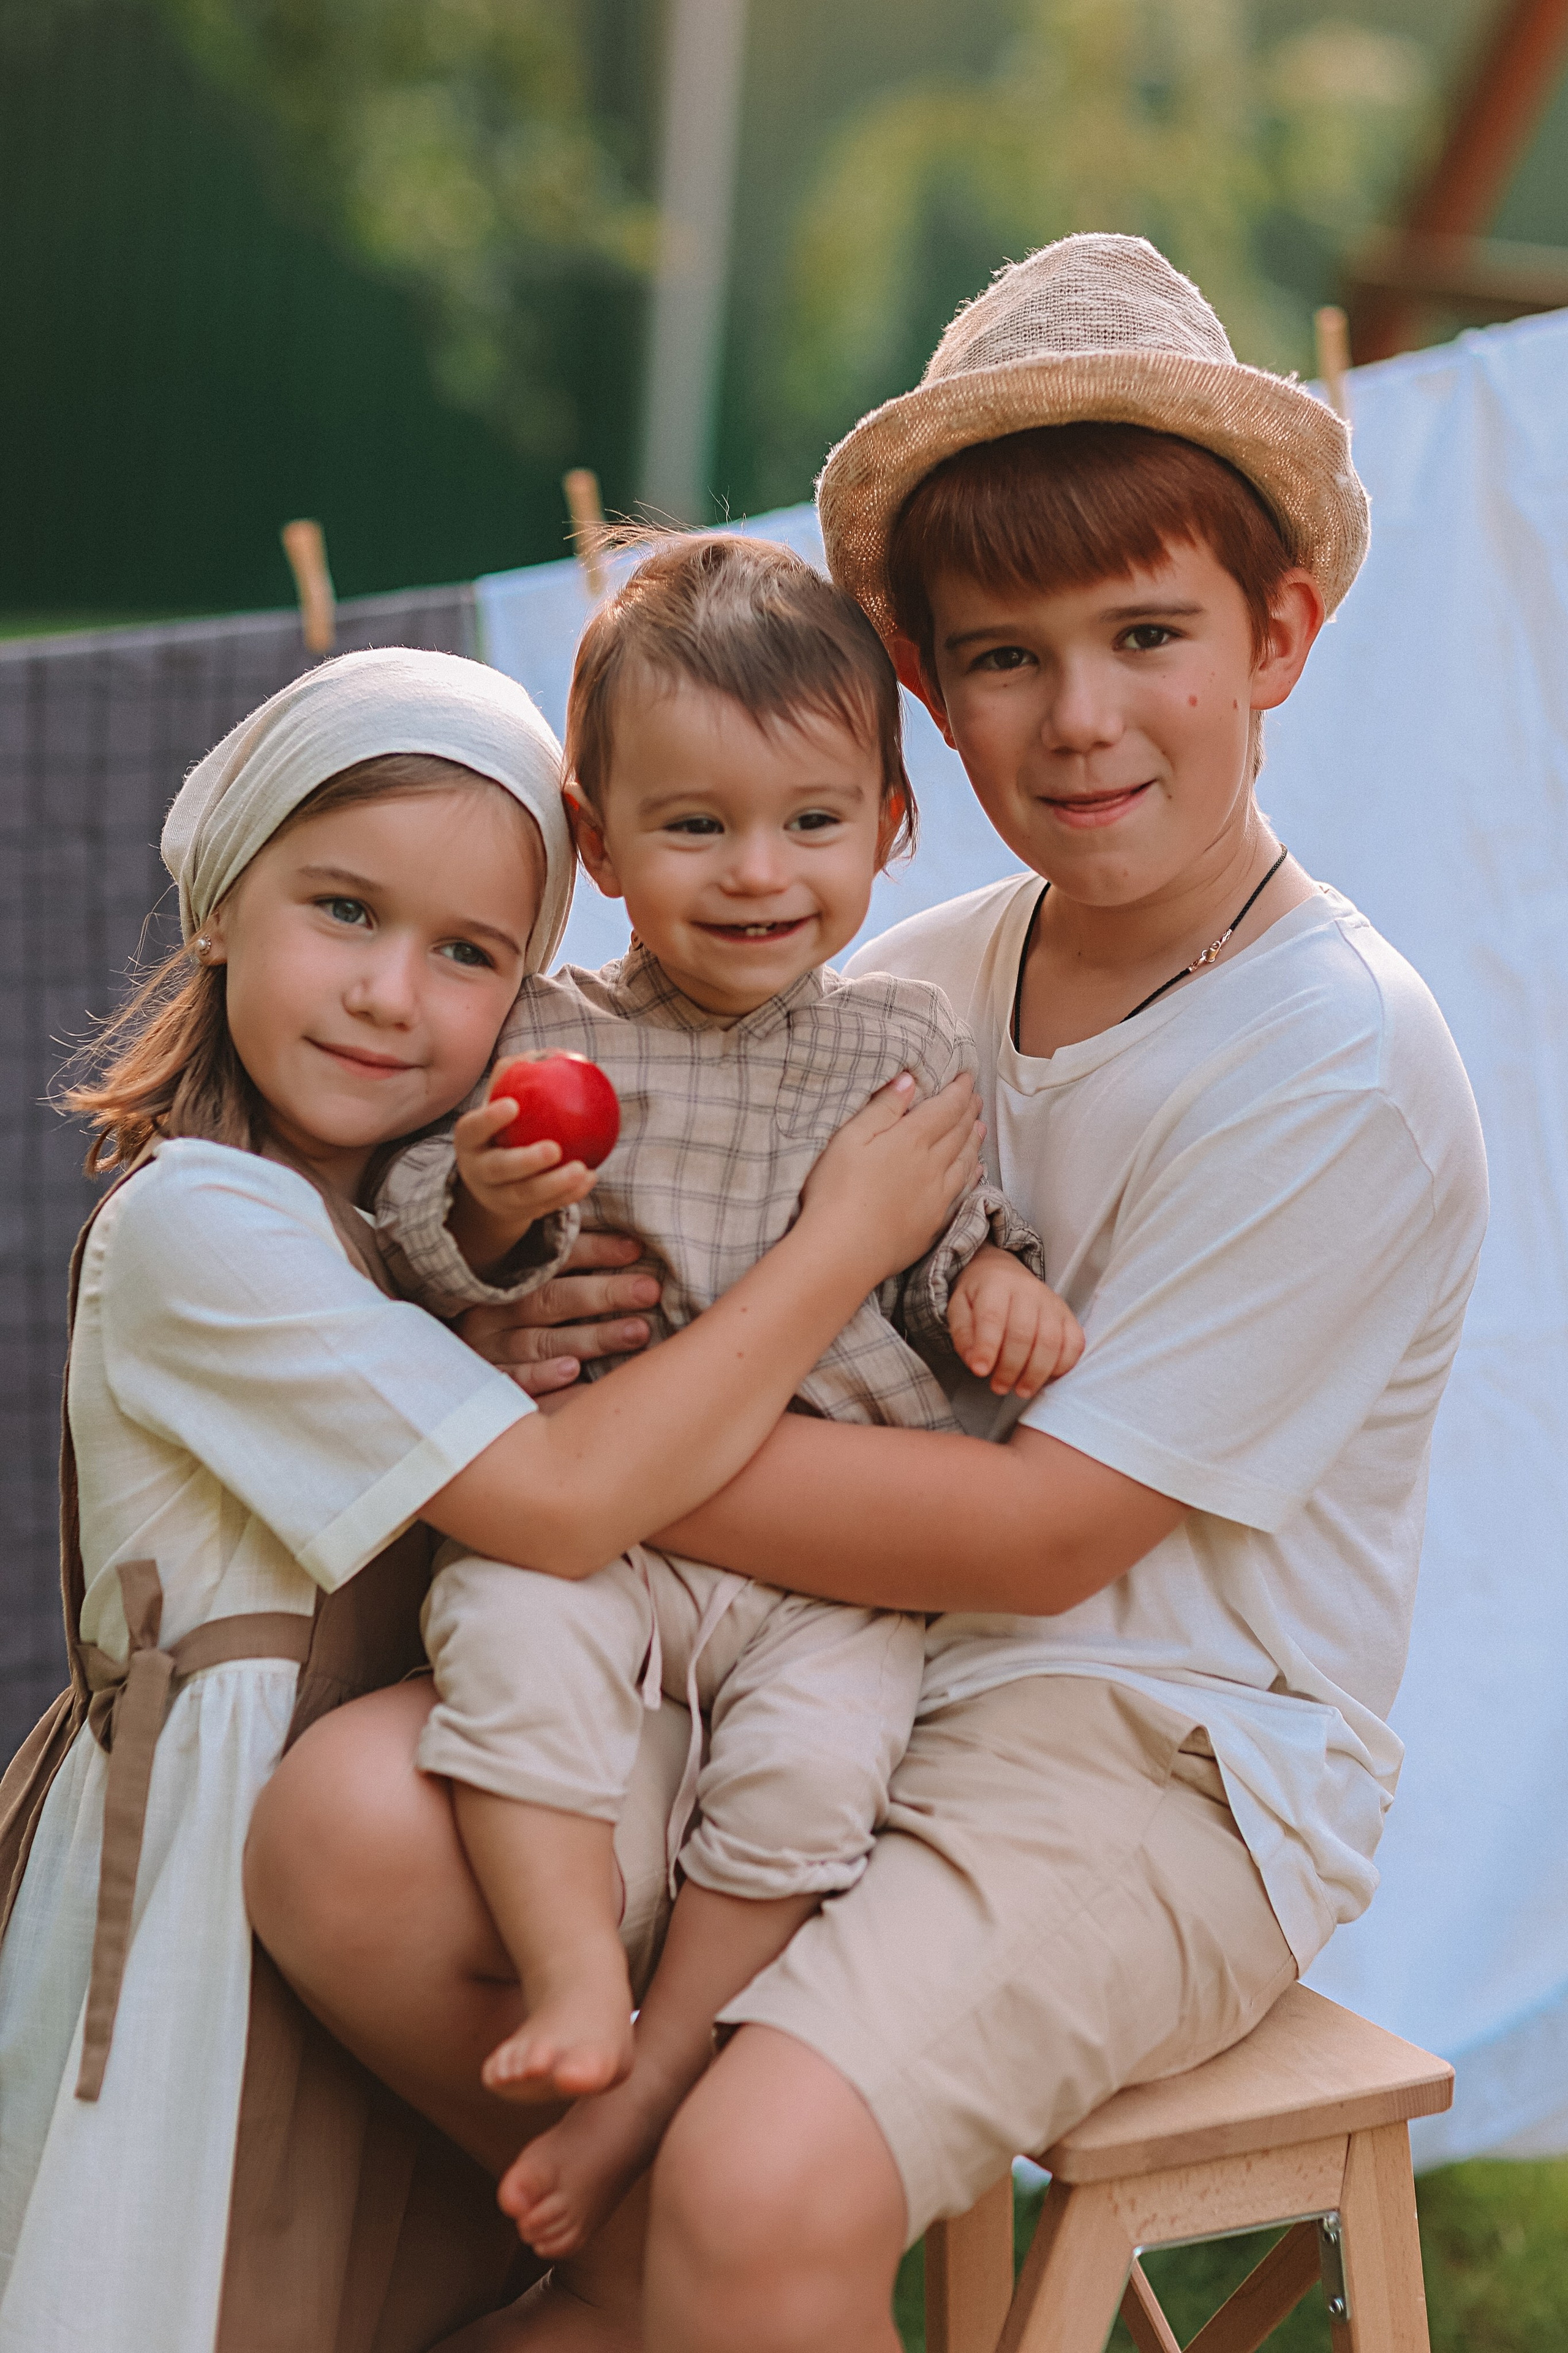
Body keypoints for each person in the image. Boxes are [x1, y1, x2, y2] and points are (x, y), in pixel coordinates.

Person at [247, 233, 1488, 2353]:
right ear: (920, 682)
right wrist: (522, 1309)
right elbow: (636, 1264)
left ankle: (681, 2261)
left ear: (1280, 632)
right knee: (341, 1831)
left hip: (1161, 1749)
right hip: (811, 1654)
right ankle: (670, 2278)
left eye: (1151, 633)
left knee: (763, 2172)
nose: (1082, 715)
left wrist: (565, 1465)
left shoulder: (1336, 1058)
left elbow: (1043, 1536)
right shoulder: (890, 988)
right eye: (1006, 656)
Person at [0, 648, 978, 2353]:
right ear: (225, 903)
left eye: (468, 954)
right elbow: (553, 1503)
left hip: (406, 1873)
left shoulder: (412, 1234)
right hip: (222, 1891)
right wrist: (842, 1245)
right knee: (211, 2283)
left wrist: (494, 1303)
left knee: (455, 2281)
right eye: (345, 911)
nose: (393, 991)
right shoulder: (199, 1228)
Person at [371, 535, 1079, 2262]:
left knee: (817, 1771)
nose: (759, 873)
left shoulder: (907, 1048)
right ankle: (571, 1982)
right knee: (507, 1631)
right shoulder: (553, 1036)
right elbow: (427, 1229)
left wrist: (992, 1288)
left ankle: (657, 2065)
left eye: (814, 823)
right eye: (694, 827)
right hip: (611, 1535)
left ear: (890, 828)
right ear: (598, 841)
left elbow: (945, 1240)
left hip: (837, 1552)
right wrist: (488, 1209)